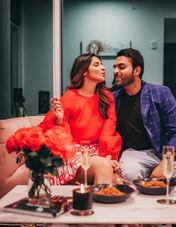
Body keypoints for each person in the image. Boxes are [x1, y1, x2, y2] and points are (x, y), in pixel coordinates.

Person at [113, 48, 176, 227]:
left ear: (136, 70)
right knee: (128, 173)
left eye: (121, 66)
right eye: (115, 67)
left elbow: (175, 132)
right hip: (134, 152)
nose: (116, 71)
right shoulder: (113, 97)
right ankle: (149, 225)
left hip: (164, 151)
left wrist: (166, 159)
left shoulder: (160, 92)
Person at [41, 53, 121, 185]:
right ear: (84, 71)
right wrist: (60, 119)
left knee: (118, 182)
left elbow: (110, 129)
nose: (103, 68)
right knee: (104, 167)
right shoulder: (69, 97)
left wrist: (107, 157)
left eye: (101, 64)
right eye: (97, 64)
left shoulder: (107, 97)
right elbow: (49, 131)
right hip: (73, 152)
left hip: (98, 151)